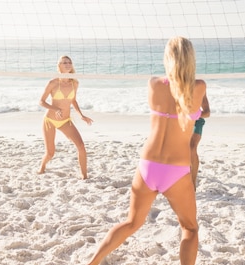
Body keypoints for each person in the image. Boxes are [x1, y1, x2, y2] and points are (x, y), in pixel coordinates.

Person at [86, 37, 207, 265]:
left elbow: (172, 91)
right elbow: (200, 106)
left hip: (147, 166)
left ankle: (92, 262)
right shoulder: (199, 87)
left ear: (167, 59)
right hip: (176, 170)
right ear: (191, 59)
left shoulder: (153, 84)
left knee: (132, 222)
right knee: (190, 228)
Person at [38, 55, 93, 179]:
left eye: (69, 62)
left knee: (81, 146)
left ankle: (84, 176)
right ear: (59, 66)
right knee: (50, 153)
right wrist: (56, 109)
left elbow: (73, 100)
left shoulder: (74, 83)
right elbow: (41, 101)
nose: (67, 64)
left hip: (65, 121)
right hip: (50, 121)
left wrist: (81, 115)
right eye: (64, 62)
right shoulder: (53, 82)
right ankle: (42, 167)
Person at [190, 94, 211, 187]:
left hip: (196, 121)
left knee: (192, 147)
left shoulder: (198, 86)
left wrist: (192, 115)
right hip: (178, 121)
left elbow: (207, 113)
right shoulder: (173, 87)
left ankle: (192, 183)